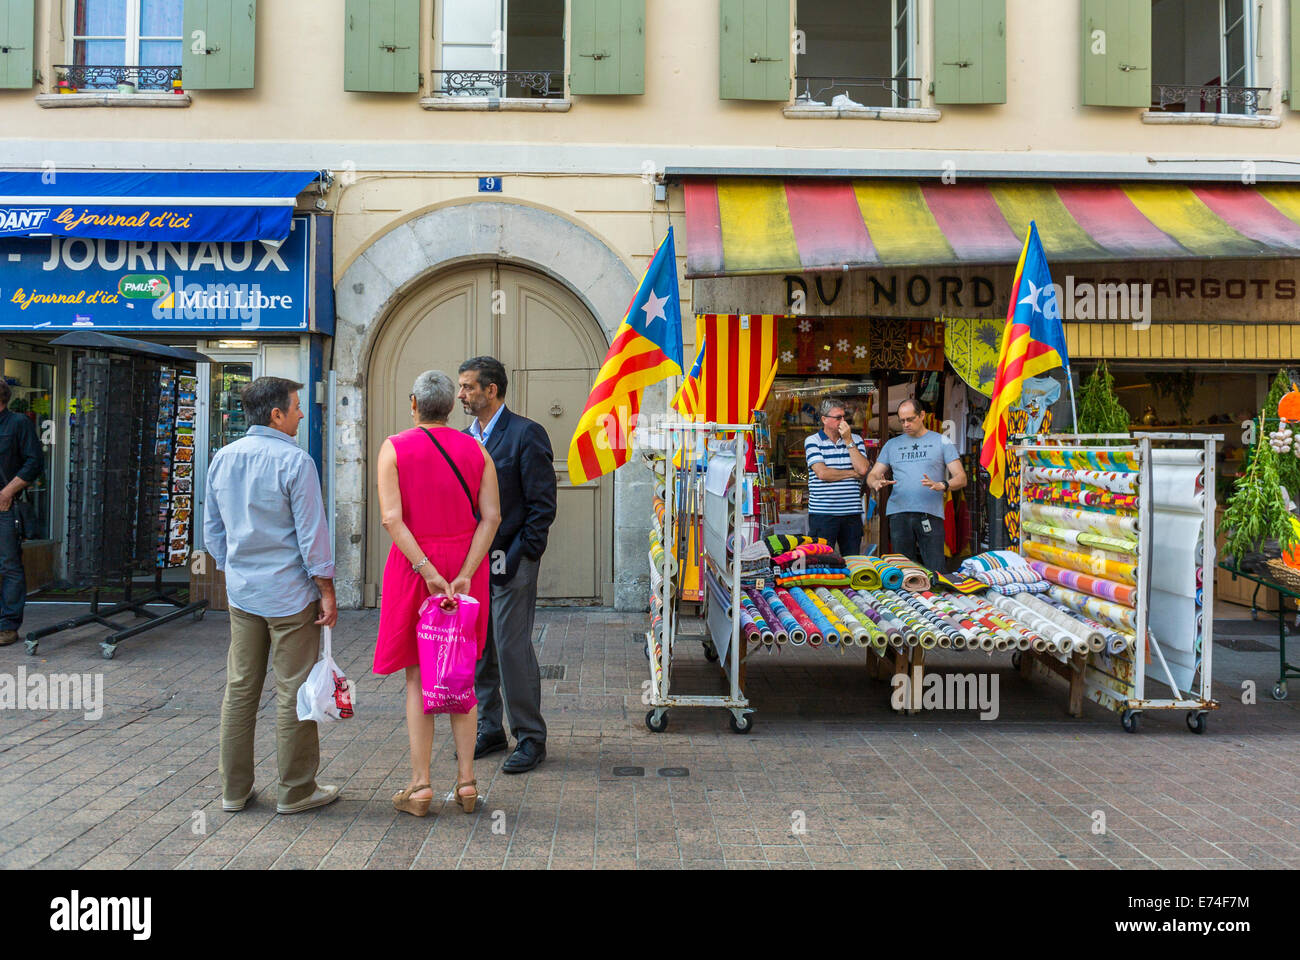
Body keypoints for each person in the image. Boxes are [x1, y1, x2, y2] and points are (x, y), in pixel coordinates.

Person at [204, 377, 340, 815]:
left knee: (240, 689)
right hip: (289, 595)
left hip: (243, 594)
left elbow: (213, 532)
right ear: (276, 414)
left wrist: (237, 570)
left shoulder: (222, 459)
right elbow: (312, 537)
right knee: (293, 690)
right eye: (296, 407)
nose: (301, 413)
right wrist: (326, 590)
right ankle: (296, 790)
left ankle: (234, 791)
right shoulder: (296, 462)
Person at [374, 371, 501, 817]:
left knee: (418, 676)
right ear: (451, 406)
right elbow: (492, 517)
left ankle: (421, 785)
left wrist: (426, 571)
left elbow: (392, 518)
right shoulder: (477, 450)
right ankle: (467, 783)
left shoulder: (394, 447)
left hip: (416, 567)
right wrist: (465, 572)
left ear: (414, 403)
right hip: (465, 565)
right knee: (460, 671)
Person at [458, 356, 557, 774]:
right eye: (461, 387)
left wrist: (524, 554)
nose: (460, 394)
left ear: (491, 390)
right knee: (480, 649)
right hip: (473, 563)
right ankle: (490, 728)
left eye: (467, 387)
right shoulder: (464, 438)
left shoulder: (525, 434)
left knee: (511, 648)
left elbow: (542, 505)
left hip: (513, 559)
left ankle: (530, 737)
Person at [867, 397, 967, 574]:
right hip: (898, 513)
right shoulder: (892, 444)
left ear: (922, 415)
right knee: (903, 571)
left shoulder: (942, 441)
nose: (905, 424)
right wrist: (875, 482)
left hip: (930, 513)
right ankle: (908, 602)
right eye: (902, 420)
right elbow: (873, 474)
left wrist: (943, 484)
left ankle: (937, 600)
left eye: (910, 419)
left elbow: (961, 477)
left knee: (935, 569)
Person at [0, 380, 43, 647]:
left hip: (4, 506)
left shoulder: (17, 424)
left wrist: (7, 492)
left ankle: (7, 626)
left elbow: (34, 462)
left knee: (8, 565)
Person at [803, 399, 871, 556]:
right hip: (823, 514)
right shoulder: (813, 441)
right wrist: (852, 473)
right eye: (837, 417)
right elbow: (823, 473)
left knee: (853, 561)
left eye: (843, 417)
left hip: (851, 514)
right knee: (821, 561)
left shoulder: (856, 440)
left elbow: (862, 469)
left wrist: (848, 440)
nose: (843, 421)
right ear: (824, 419)